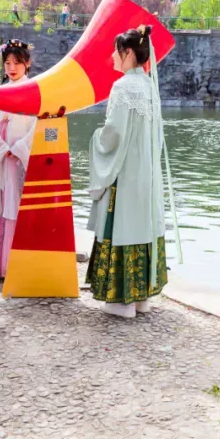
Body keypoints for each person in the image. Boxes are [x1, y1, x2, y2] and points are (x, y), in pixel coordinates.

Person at [85, 26, 169, 318]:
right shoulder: (150, 87)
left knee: (121, 224)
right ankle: (142, 297)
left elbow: (114, 135)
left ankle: (122, 302)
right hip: (147, 174)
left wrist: (96, 139)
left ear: (129, 53)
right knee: (144, 225)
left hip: (126, 173)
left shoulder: (122, 87)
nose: (113, 57)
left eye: (117, 51)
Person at [0, 40, 37, 278]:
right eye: (7, 63)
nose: (12, 68)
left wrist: (20, 147)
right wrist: (1, 147)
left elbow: (38, 125)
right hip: (1, 158)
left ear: (27, 63)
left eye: (17, 62)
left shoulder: (34, 91)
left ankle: (16, 265)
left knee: (17, 207)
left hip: (18, 161)